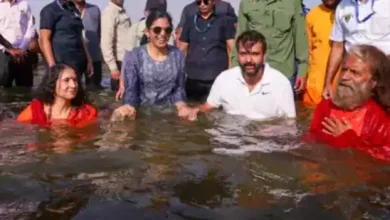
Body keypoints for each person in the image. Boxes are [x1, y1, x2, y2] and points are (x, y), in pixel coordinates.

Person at [304, 45, 390, 161]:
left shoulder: (380, 120)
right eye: (344, 69)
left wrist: (349, 139)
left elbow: (383, 160)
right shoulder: (325, 106)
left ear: (373, 81)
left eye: (355, 72)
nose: (344, 77)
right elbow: (309, 144)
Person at [189, 30, 296, 121]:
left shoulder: (281, 83)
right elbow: (208, 106)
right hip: (228, 140)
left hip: (264, 142)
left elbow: (291, 122)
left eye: (255, 54)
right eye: (243, 54)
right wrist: (196, 110)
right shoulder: (224, 79)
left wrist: (275, 130)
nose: (248, 60)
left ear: (264, 56)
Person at [110, 11, 193, 121]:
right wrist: (128, 106)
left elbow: (178, 89)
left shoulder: (178, 55)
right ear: (147, 32)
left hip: (169, 114)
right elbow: (131, 91)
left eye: (167, 30)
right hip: (142, 113)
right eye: (157, 30)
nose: (162, 34)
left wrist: (182, 105)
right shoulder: (135, 56)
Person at [232, 0, 309, 93]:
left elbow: (300, 36)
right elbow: (240, 38)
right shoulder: (246, 2)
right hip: (254, 72)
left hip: (284, 72)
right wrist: (235, 69)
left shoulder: (293, 2)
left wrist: (302, 71)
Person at [323, 0, 390, 98]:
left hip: (385, 72)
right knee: (353, 111)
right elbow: (337, 46)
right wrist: (328, 82)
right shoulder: (342, 6)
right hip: (354, 76)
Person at [179, 0, 236, 102]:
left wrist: (231, 73)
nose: (202, 5)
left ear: (213, 2)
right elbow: (182, 48)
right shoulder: (190, 22)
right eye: (198, 2)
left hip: (217, 78)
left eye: (205, 1)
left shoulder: (224, 21)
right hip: (193, 78)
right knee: (192, 111)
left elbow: (232, 49)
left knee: (217, 113)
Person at [116, 0, 174, 100]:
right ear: (146, 11)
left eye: (159, 11)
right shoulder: (135, 29)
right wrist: (122, 83)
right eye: (152, 11)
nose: (155, 14)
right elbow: (127, 59)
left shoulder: (168, 34)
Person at [17, 64, 97, 127]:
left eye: (75, 80)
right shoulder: (37, 110)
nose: (73, 85)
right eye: (66, 80)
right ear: (52, 84)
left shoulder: (87, 112)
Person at [40, 0, 94, 80]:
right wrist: (52, 66)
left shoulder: (74, 9)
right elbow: (44, 39)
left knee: (76, 89)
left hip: (78, 63)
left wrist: (89, 60)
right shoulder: (50, 10)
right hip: (60, 63)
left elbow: (80, 36)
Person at [303, 0, 341, 107]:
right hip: (315, 87)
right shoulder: (312, 15)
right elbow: (307, 51)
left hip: (343, 87)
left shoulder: (348, 13)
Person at [0, 0, 35, 88]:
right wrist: (10, 49)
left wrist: (22, 48)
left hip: (23, 53)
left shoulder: (25, 4)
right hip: (3, 53)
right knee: (3, 88)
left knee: (26, 89)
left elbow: (30, 27)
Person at [101, 0, 131, 92]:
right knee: (118, 95)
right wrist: (113, 67)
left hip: (126, 61)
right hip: (118, 64)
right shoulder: (110, 12)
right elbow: (106, 43)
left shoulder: (121, 12)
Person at [74, 0, 103, 90]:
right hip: (75, 58)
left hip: (94, 56)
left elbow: (100, 33)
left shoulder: (95, 9)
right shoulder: (66, 10)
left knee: (94, 90)